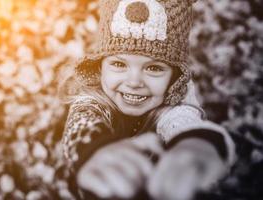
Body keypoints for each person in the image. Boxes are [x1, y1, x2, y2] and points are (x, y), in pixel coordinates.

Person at [59, 0, 236, 199]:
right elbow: (80, 126)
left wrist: (196, 144)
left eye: (153, 68)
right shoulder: (91, 102)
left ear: (173, 76)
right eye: (118, 63)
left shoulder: (171, 107)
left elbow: (184, 121)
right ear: (100, 68)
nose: (134, 82)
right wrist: (94, 151)